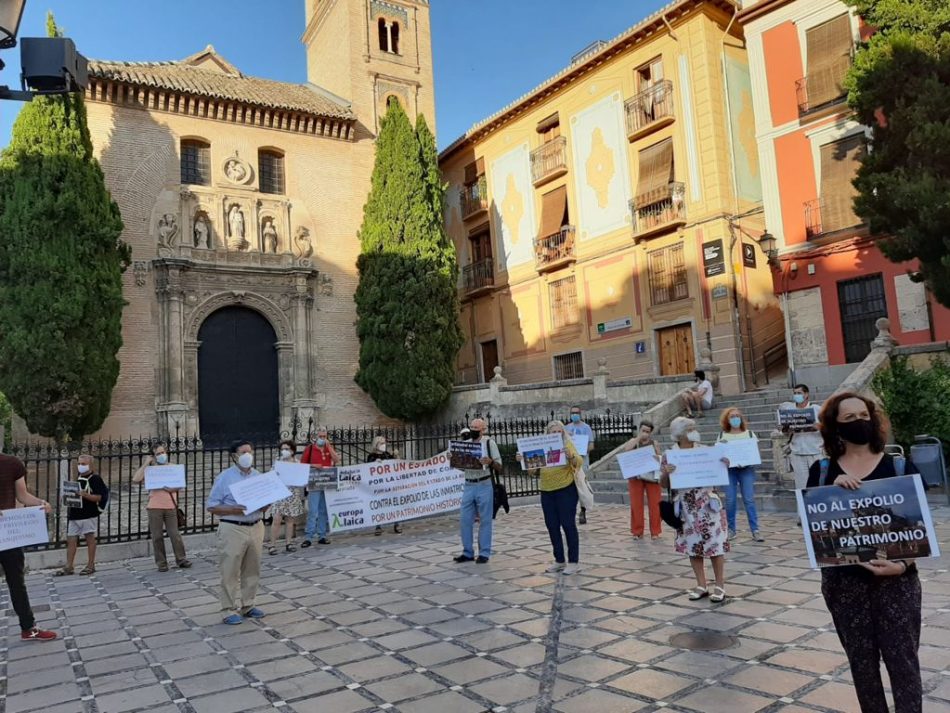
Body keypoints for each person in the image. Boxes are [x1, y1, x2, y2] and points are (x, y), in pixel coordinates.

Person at [806, 392, 922, 713]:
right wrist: (831, 492)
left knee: (904, 666)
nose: (860, 422)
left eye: (864, 414)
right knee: (863, 667)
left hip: (897, 584)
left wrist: (902, 565)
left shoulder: (898, 466)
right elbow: (815, 526)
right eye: (850, 418)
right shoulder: (821, 471)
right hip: (845, 586)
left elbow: (918, 529)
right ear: (835, 428)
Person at [660, 417, 730, 602]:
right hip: (685, 507)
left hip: (708, 504)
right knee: (693, 546)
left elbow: (718, 474)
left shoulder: (706, 451)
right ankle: (701, 584)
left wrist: (723, 464)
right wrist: (666, 472)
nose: (694, 430)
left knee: (715, 544)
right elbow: (663, 484)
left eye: (694, 427)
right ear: (680, 433)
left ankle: (720, 585)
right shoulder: (670, 455)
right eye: (689, 428)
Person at [206, 440, 267, 625]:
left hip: (255, 525)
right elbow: (212, 506)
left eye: (250, 451)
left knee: (252, 568)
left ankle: (248, 604)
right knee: (230, 570)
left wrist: (268, 502)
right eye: (243, 452)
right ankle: (228, 608)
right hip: (233, 527)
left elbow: (263, 501)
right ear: (234, 456)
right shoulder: (225, 477)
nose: (248, 455)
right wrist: (234, 510)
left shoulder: (258, 475)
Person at [0, 453, 57, 641]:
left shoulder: (11, 463)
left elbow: (22, 495)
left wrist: (41, 503)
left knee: (17, 583)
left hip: (8, 535)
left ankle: (28, 627)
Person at [517, 420, 584, 575]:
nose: (556, 434)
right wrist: (525, 461)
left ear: (562, 433)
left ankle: (573, 562)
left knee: (568, 524)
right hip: (547, 491)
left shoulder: (567, 444)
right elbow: (532, 472)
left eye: (559, 432)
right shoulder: (541, 448)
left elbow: (579, 462)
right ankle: (559, 560)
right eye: (553, 432)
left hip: (566, 490)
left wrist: (571, 456)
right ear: (548, 434)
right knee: (552, 526)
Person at [132, 443, 191, 571]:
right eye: (158, 454)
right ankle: (162, 563)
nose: (161, 455)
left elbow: (181, 485)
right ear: (153, 456)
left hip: (170, 506)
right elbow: (136, 479)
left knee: (175, 534)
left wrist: (172, 488)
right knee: (157, 536)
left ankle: (181, 559)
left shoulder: (173, 468)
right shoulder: (150, 471)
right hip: (154, 507)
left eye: (162, 452)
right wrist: (146, 463)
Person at [453, 418, 501, 564]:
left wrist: (490, 462)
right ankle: (467, 552)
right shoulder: (465, 445)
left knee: (485, 520)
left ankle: (484, 552)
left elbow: (499, 466)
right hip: (469, 484)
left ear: (483, 430)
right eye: (472, 427)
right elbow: (462, 467)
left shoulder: (489, 443)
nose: (474, 430)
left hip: (484, 483)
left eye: (477, 428)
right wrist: (454, 460)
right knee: (465, 519)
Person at [716, 408, 764, 542]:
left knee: (749, 499)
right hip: (729, 471)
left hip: (746, 470)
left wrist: (747, 460)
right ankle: (731, 530)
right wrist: (723, 458)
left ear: (741, 418)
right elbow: (718, 454)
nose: (735, 418)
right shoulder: (722, 436)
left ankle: (755, 530)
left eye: (737, 416)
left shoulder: (749, 434)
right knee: (730, 500)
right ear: (727, 419)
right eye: (732, 416)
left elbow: (755, 452)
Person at [55, 454, 107, 576]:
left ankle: (90, 564)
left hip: (88, 514)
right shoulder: (78, 478)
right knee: (71, 539)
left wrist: (85, 495)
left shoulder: (95, 479)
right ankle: (69, 565)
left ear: (90, 465)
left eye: (83, 464)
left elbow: (100, 497)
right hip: (75, 513)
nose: (80, 466)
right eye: (79, 463)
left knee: (90, 537)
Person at [621, 420, 662, 540]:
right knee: (636, 504)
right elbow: (627, 450)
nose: (645, 433)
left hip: (651, 477)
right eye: (643, 430)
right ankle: (637, 531)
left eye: (647, 432)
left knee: (655, 504)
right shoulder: (633, 441)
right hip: (635, 476)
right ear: (639, 430)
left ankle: (655, 531)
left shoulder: (654, 443)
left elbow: (660, 458)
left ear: (651, 433)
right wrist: (638, 438)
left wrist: (657, 455)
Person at [300, 427, 340, 547]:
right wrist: (313, 465)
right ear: (315, 437)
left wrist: (329, 448)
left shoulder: (329, 447)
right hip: (314, 482)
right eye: (320, 436)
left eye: (324, 436)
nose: (322, 439)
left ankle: (322, 535)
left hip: (326, 481)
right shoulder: (310, 449)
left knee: (324, 510)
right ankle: (309, 536)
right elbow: (302, 464)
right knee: (313, 510)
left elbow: (336, 460)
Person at [781, 384, 823, 490]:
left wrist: (818, 426)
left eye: (799, 393)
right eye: (795, 393)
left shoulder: (817, 409)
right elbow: (784, 432)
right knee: (801, 486)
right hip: (797, 452)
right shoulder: (789, 411)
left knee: (819, 484)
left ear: (806, 394)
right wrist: (787, 429)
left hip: (815, 452)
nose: (796, 395)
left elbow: (828, 428)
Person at [267, 440, 305, 555]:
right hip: (279, 494)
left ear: (292, 450)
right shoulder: (278, 461)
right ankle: (272, 545)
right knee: (277, 519)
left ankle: (289, 543)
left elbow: (301, 479)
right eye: (282, 449)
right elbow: (271, 474)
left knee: (290, 520)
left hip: (292, 494)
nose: (284, 451)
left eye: (287, 449)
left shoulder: (297, 463)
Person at [367, 435, 402, 536]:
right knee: (379, 505)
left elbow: (397, 464)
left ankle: (397, 524)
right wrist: (374, 463)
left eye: (384, 443)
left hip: (390, 484)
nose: (383, 445)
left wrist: (396, 456)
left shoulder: (387, 454)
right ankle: (378, 526)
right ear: (376, 444)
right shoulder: (372, 456)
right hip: (378, 486)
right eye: (381, 443)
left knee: (394, 504)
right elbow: (367, 468)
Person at [565, 406, 594, 525]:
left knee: (582, 487)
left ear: (580, 414)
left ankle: (583, 511)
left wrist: (582, 450)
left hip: (582, 461)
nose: (574, 415)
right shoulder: (567, 428)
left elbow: (591, 445)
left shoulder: (586, 428)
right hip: (570, 463)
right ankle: (571, 511)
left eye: (576, 413)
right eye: (572, 413)